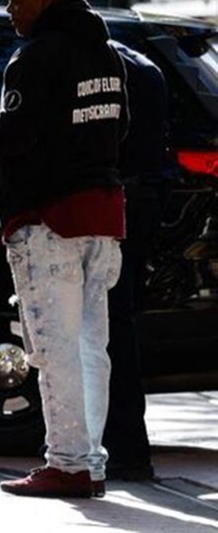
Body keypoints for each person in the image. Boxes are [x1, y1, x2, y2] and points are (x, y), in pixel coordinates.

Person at [0, 0, 127, 499]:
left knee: (53, 349)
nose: (9, 9)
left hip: (48, 221)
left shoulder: (33, 59)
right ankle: (89, 462)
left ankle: (68, 464)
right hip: (101, 217)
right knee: (90, 347)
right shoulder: (109, 56)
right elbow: (121, 128)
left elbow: (16, 134)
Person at [102, 41, 168, 482]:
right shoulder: (143, 65)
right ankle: (123, 447)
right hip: (139, 199)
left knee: (105, 330)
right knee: (117, 328)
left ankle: (116, 448)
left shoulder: (85, 62)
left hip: (108, 206)